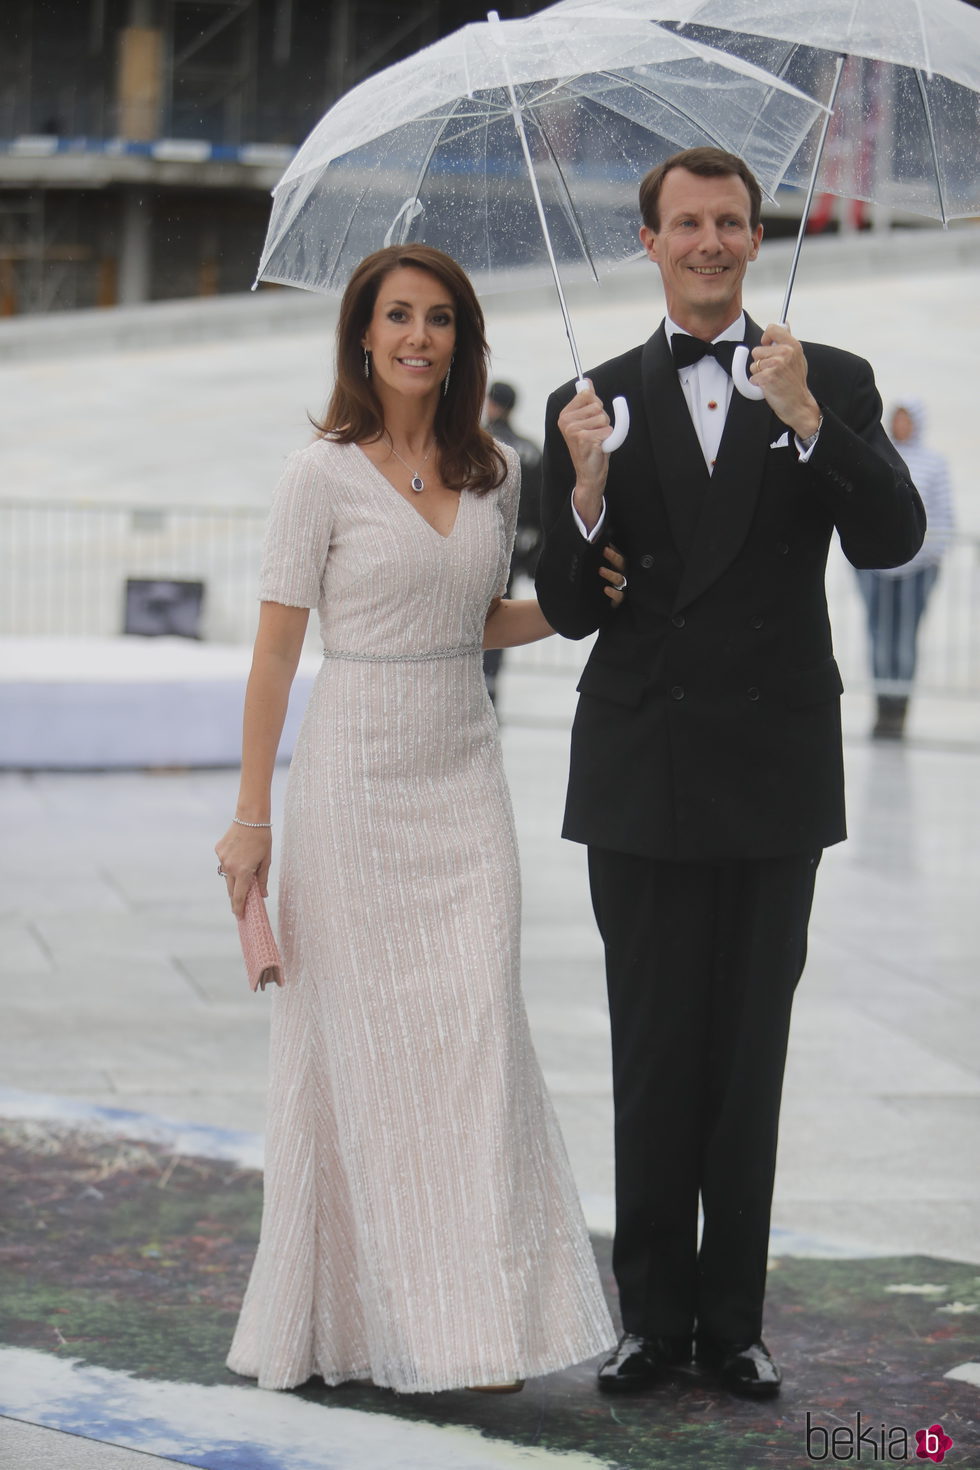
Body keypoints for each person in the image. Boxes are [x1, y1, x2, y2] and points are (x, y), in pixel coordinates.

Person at [535, 148, 925, 1400]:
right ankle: (648, 1320)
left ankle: (733, 1323)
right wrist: (584, 489)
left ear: (758, 240)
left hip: (769, 763)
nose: (710, 242)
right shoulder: (587, 396)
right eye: (686, 223)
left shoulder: (829, 378)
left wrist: (807, 417)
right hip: (640, 763)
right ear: (645, 241)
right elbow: (563, 607)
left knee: (748, 1053)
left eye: (731, 223)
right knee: (653, 1052)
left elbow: (890, 540)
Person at [215, 243, 621, 1396]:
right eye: (397, 316)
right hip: (351, 786)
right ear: (360, 336)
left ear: (461, 340)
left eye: (439, 318)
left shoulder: (492, 472)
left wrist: (573, 604)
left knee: (476, 1044)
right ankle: (367, 1324)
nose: (418, 337)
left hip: (462, 783)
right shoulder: (319, 475)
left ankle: (479, 1323)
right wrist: (252, 820)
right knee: (362, 1061)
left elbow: (474, 617)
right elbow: (276, 655)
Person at [856, 398, 955, 739]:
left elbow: (944, 515)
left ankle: (899, 712)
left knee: (904, 642)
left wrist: (931, 557)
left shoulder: (934, 463)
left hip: (918, 568)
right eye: (896, 420)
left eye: (906, 420)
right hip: (876, 569)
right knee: (879, 639)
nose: (900, 426)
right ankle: (882, 709)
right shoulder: (876, 455)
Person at [481, 380, 543, 703]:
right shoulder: (530, 449)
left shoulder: (477, 444)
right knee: (501, 612)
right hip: (518, 550)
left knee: (476, 617)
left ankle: (478, 679)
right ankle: (491, 680)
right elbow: (544, 507)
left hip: (481, 547)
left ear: (492, 403)